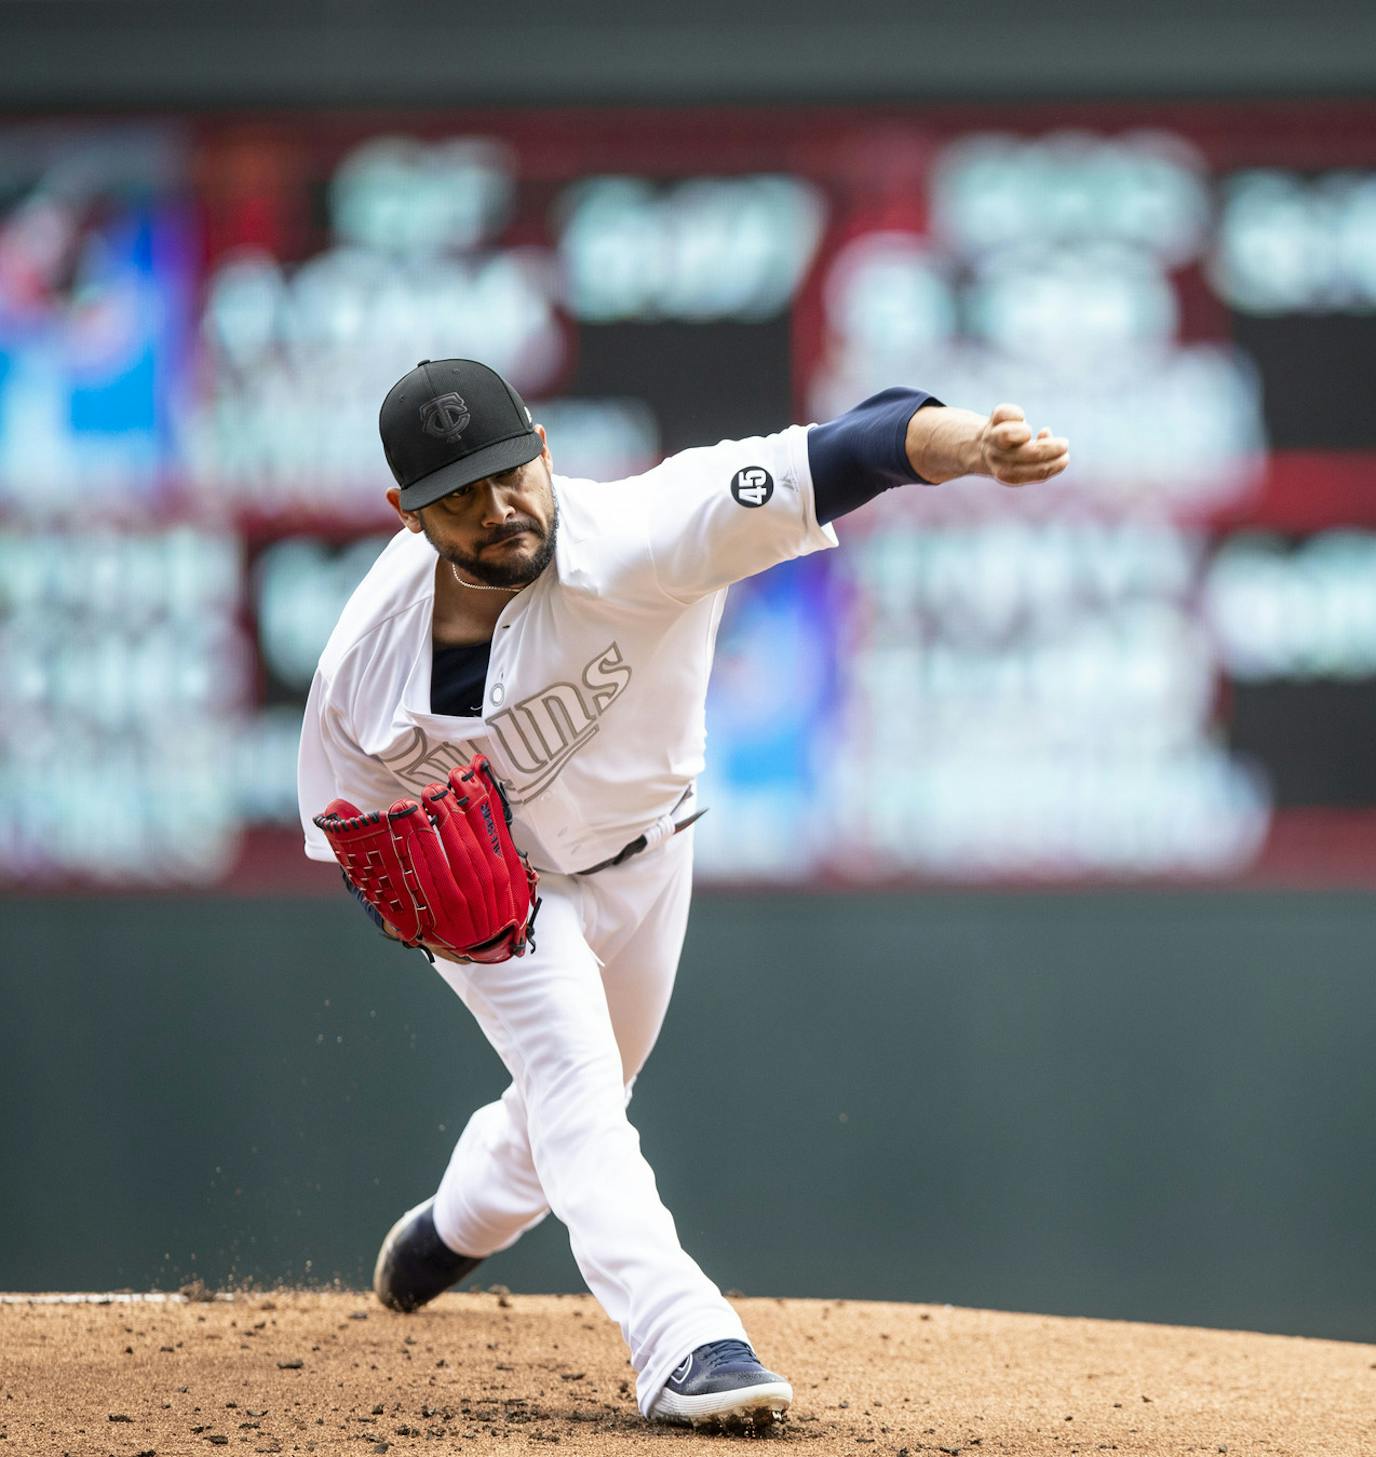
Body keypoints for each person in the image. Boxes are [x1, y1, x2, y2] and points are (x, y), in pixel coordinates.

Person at [295, 358, 1069, 1427]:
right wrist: (424, 898)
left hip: (652, 856)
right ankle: (684, 1338)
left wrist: (973, 443)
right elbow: (349, 823)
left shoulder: (647, 531)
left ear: (544, 448)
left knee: (582, 1097)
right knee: (572, 1073)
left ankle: (460, 1218)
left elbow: (855, 442)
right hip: (511, 898)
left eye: (508, 473)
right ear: (407, 513)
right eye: (459, 496)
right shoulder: (364, 666)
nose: (499, 508)